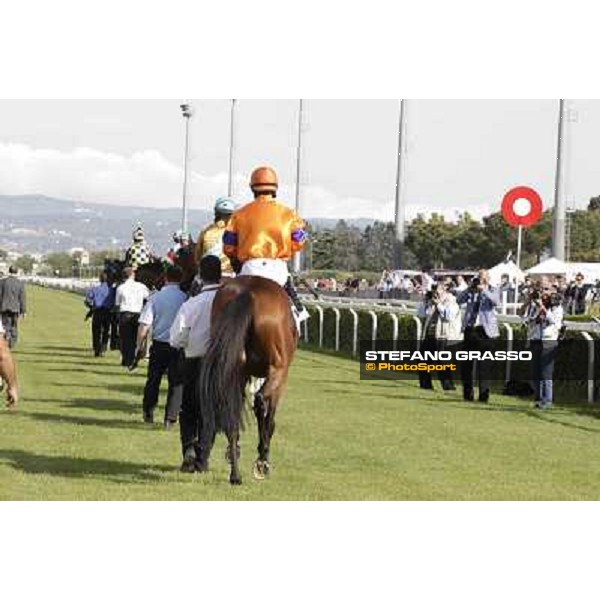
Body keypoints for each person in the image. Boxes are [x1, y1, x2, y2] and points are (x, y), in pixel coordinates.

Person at [223, 166, 309, 321]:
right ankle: (298, 317)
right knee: (297, 314)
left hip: (249, 268)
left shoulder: (238, 214)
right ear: (275, 188)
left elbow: (228, 247)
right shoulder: (289, 214)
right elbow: (300, 241)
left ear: (252, 188)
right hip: (278, 270)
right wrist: (287, 248)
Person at [170, 256, 222, 471]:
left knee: (189, 409)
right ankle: (202, 458)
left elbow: (176, 337)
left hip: (193, 360)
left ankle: (189, 450)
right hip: (218, 364)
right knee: (209, 412)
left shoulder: (192, 302)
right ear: (220, 273)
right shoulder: (230, 301)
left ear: (200, 274)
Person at [134, 265, 187, 427]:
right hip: (178, 346)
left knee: (153, 380)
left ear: (165, 278)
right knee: (176, 383)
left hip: (159, 344)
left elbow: (144, 325)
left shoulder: (155, 298)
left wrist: (139, 346)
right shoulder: (186, 297)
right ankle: (170, 417)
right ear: (181, 279)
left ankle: (148, 411)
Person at [457, 269, 500, 403]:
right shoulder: (472, 290)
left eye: (482, 278)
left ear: (487, 278)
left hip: (486, 332)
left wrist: (484, 290)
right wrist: (470, 288)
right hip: (471, 330)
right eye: (479, 277)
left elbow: (496, 302)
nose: (480, 280)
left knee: (485, 366)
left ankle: (483, 396)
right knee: (467, 365)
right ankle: (467, 394)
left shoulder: (493, 289)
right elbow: (459, 300)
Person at [520, 290, 563, 409]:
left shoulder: (556, 307)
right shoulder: (534, 305)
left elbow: (554, 321)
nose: (542, 295)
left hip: (548, 341)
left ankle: (547, 400)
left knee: (546, 373)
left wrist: (542, 307)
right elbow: (522, 315)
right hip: (535, 340)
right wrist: (528, 301)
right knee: (535, 372)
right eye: (541, 292)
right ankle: (538, 399)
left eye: (545, 292)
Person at [417, 282, 463, 391]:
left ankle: (448, 386)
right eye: (433, 291)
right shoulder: (432, 301)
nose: (435, 293)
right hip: (430, 335)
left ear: (444, 290)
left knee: (442, 362)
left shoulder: (451, 301)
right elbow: (421, 314)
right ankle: (425, 385)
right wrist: (425, 302)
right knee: (422, 360)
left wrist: (438, 304)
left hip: (444, 336)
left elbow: (449, 316)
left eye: (437, 290)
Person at [115, 267, 149, 368]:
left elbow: (117, 303)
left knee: (126, 339)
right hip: (137, 313)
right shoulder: (141, 286)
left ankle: (127, 359)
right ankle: (133, 358)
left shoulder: (120, 288)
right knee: (135, 338)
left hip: (125, 313)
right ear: (132, 275)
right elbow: (148, 297)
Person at [195, 197, 236, 278]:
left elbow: (198, 256)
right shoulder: (237, 231)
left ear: (216, 213)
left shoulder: (206, 231)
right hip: (231, 275)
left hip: (209, 276)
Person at [85, 272, 115, 357]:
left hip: (97, 311)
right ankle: (103, 348)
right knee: (106, 331)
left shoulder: (94, 289)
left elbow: (87, 301)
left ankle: (96, 349)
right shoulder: (111, 290)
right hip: (108, 312)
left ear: (100, 279)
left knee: (96, 331)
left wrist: (91, 308)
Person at [0, 266, 27, 349]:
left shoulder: (2, 282)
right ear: (17, 272)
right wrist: (24, 311)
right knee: (14, 325)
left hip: (4, 307)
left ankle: (6, 339)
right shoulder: (20, 283)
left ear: (9, 271)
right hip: (15, 308)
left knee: (5, 325)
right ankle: (12, 342)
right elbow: (22, 298)